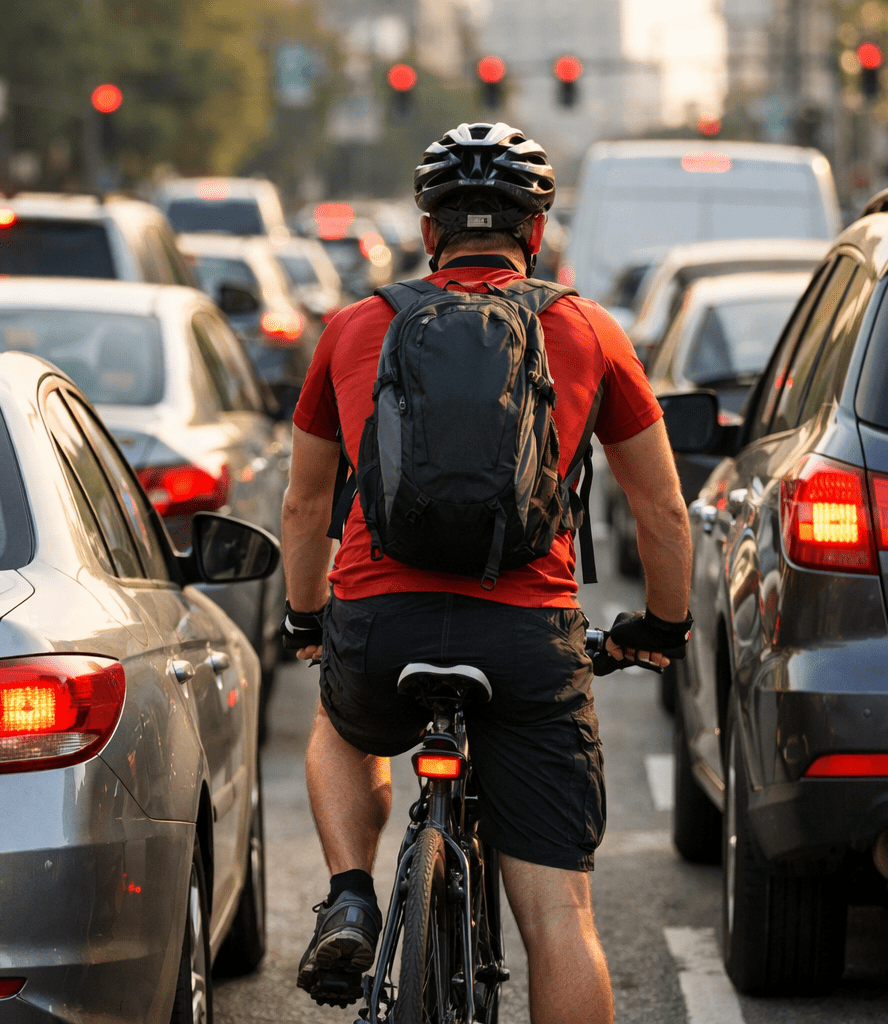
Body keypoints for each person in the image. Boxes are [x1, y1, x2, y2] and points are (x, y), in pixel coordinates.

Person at [280, 122, 692, 1024]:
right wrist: (662, 627)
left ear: (428, 232)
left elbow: (307, 508)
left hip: (381, 618)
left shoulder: (355, 326)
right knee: (559, 917)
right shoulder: (585, 328)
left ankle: (351, 892)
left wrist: (309, 621)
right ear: (535, 232)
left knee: (342, 726)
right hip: (524, 635)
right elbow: (661, 511)